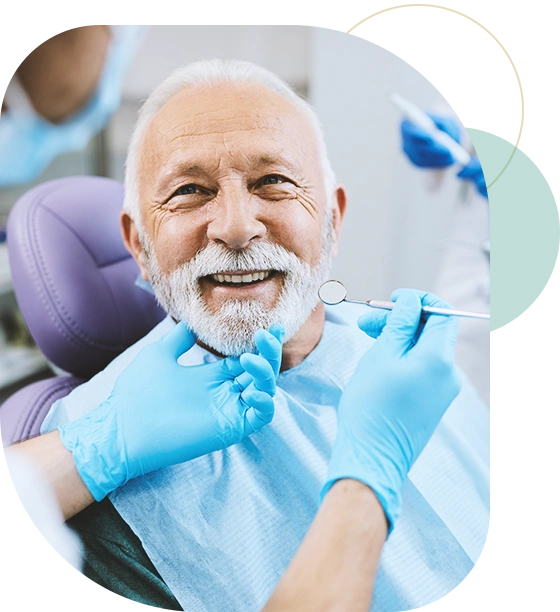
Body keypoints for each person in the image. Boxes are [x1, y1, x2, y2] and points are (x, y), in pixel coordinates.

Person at [2, 50, 489, 611]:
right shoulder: (103, 493)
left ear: (332, 219)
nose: (235, 227)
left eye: (274, 181)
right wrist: (368, 473)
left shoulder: (402, 360)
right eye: (190, 191)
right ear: (138, 245)